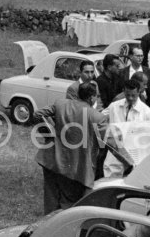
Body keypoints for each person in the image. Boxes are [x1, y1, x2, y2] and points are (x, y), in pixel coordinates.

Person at [34, 82, 107, 213]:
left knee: (51, 197)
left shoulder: (61, 104)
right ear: (91, 97)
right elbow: (111, 143)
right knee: (69, 203)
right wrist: (129, 162)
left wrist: (50, 132)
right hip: (76, 166)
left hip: (51, 160)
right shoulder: (97, 116)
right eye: (97, 96)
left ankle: (48, 225)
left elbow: (38, 114)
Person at [104, 79, 150, 176]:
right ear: (123, 91)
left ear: (138, 92)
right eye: (128, 95)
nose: (131, 98)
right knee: (110, 178)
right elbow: (100, 118)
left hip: (136, 152)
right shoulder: (114, 106)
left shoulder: (146, 111)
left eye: (134, 95)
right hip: (116, 150)